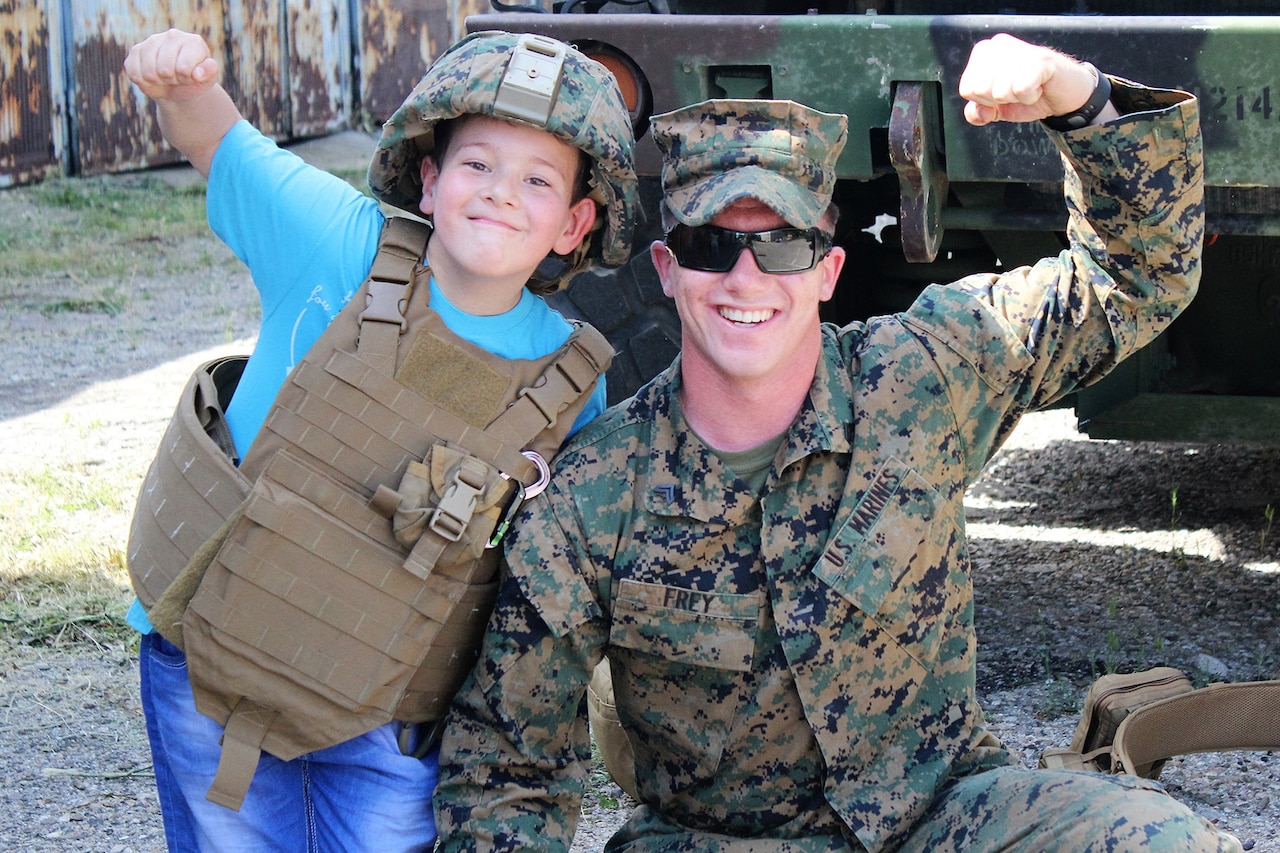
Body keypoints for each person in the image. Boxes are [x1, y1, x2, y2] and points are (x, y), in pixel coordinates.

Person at [434, 33, 1243, 852]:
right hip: (718, 842)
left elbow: (1136, 276)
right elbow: (507, 769)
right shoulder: (591, 494)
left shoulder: (925, 375)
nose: (746, 278)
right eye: (712, 244)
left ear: (826, 269)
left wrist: (1082, 97)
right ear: (667, 266)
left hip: (940, 821)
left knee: (1158, 839)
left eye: (781, 243)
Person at [122, 27, 637, 851]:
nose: (501, 192)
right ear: (429, 182)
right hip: (217, 657)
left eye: (537, 179)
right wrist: (183, 84)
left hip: (392, 705)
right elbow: (218, 141)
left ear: (576, 223)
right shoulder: (339, 244)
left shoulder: (572, 381)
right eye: (477, 164)